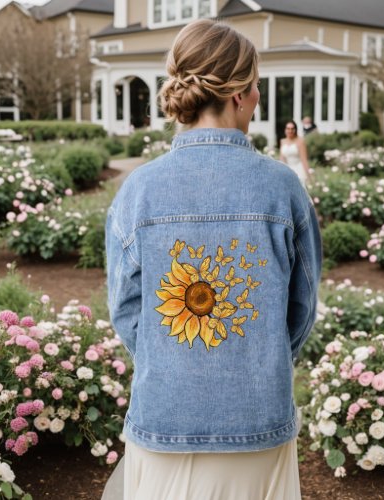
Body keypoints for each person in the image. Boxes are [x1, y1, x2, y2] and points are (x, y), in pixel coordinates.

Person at [104, 19, 321, 500]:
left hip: (165, 415)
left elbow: (127, 310)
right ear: (241, 94)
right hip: (257, 418)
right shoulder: (282, 187)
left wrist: (173, 361)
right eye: (258, 85)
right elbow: (302, 309)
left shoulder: (138, 190)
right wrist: (257, 357)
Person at [279, 120, 312, 185]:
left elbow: (304, 160)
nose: (290, 131)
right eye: (288, 128)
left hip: (299, 171)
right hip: (287, 170)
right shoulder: (282, 141)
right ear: (285, 130)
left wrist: (309, 177)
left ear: (295, 130)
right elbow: (282, 159)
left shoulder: (300, 141)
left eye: (292, 129)